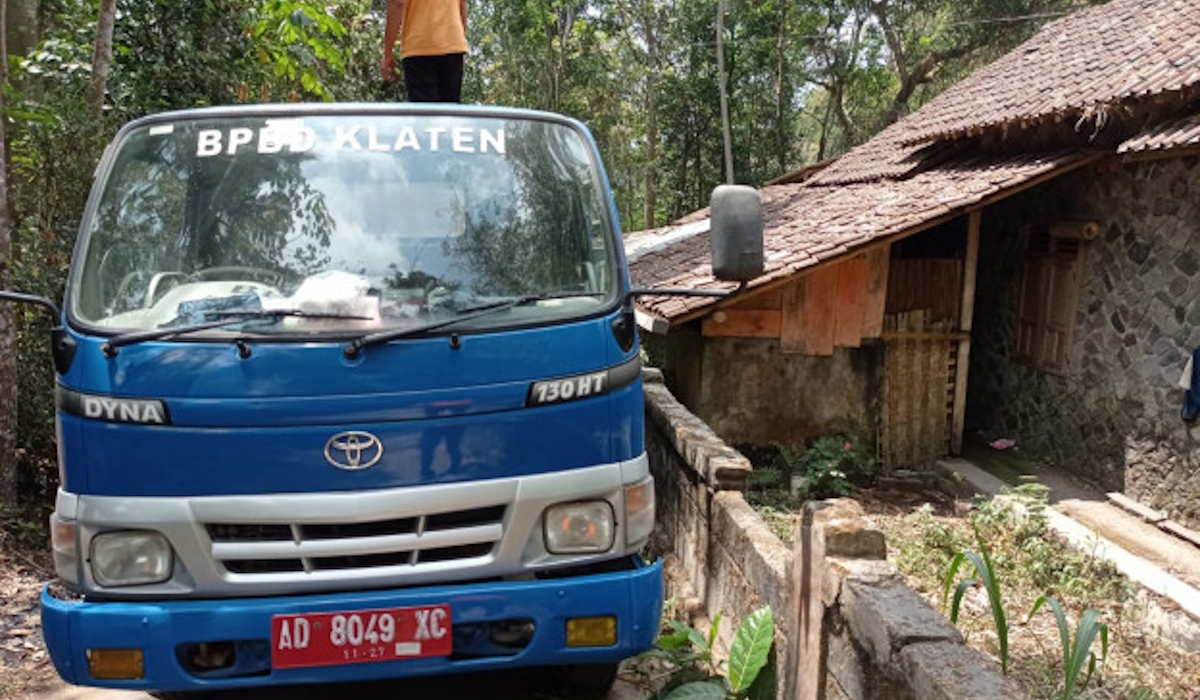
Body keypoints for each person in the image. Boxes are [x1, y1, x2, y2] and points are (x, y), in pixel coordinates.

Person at [380, 0, 469, 103]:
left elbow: (397, 3)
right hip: (453, 43)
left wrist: (387, 53)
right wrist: (459, 40)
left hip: (420, 45)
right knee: (450, 112)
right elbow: (462, 4)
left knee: (426, 114)